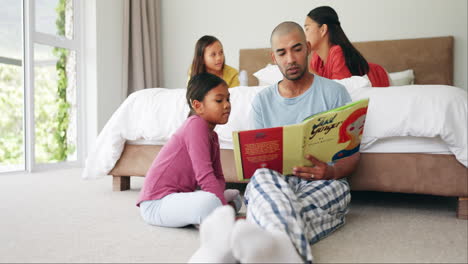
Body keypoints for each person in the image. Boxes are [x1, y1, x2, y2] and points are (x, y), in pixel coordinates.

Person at [189, 21, 361, 263]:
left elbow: (352, 156)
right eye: (282, 52)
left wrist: (331, 171)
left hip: (321, 182)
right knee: (261, 180)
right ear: (274, 57)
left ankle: (243, 240)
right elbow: (256, 165)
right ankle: (284, 252)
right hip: (274, 181)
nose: (290, 58)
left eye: (296, 49)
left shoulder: (335, 93)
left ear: (308, 48)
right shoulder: (261, 101)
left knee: (339, 192)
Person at [137, 73, 242, 228]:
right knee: (211, 202)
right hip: (156, 203)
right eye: (219, 100)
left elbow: (218, 176)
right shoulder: (195, 125)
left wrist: (219, 203)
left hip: (181, 197)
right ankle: (214, 216)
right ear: (198, 105)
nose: (227, 105)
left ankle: (209, 215)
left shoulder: (213, 136)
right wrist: (222, 206)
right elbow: (204, 175)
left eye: (228, 99)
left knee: (236, 196)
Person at [305, 6, 390, 87]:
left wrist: (307, 70)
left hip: (379, 77)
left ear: (323, 29)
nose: (304, 35)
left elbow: (338, 91)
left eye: (307, 29)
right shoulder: (316, 58)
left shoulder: (337, 52)